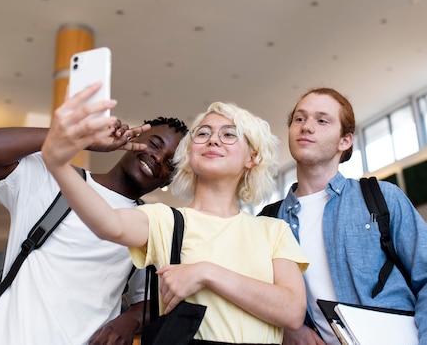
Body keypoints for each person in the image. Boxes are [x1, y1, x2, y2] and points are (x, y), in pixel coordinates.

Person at [41, 81, 309, 344]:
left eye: (229, 134)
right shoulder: (165, 220)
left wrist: (207, 273)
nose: (213, 139)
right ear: (191, 154)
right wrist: (58, 164)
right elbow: (109, 223)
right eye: (202, 134)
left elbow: (292, 311)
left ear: (252, 158)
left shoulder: (273, 230)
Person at [259, 87, 427, 345]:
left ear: (344, 141)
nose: (306, 126)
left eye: (322, 120)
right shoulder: (269, 221)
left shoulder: (381, 197)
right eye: (299, 119)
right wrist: (290, 328)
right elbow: (259, 297)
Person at [0, 109, 188, 345]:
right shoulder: (51, 179)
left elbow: (150, 300)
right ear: (132, 139)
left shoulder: (148, 224)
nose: (158, 158)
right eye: (154, 144)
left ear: (169, 181)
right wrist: (81, 139)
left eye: (171, 163)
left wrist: (129, 320)